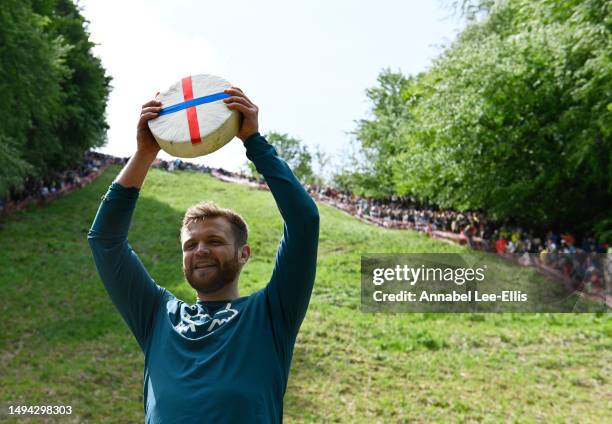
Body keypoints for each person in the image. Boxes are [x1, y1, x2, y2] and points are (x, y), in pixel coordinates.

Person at [87, 87, 320, 423]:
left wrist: (255, 142)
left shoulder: (271, 315)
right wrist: (143, 155)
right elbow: (104, 241)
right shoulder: (157, 315)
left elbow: (304, 222)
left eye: (214, 240)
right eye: (190, 244)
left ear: (244, 254)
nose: (201, 251)